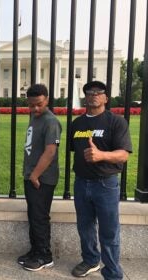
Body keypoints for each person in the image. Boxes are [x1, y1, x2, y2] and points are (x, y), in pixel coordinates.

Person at [70, 81, 132, 279]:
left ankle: (113, 272)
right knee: (85, 227)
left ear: (106, 98)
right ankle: (90, 260)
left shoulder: (116, 122)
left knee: (109, 231)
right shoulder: (77, 124)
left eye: (99, 92)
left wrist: (101, 155)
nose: (94, 95)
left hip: (105, 183)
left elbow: (124, 155)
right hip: (81, 182)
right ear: (85, 97)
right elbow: (76, 151)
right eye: (89, 92)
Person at [17, 84, 62, 272]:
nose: (35, 108)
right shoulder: (35, 117)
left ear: (47, 100)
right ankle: (35, 250)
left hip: (42, 178)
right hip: (32, 176)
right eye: (32, 105)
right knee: (33, 215)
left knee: (40, 217)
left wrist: (35, 175)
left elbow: (50, 151)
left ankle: (45, 255)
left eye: (39, 104)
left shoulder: (51, 121)